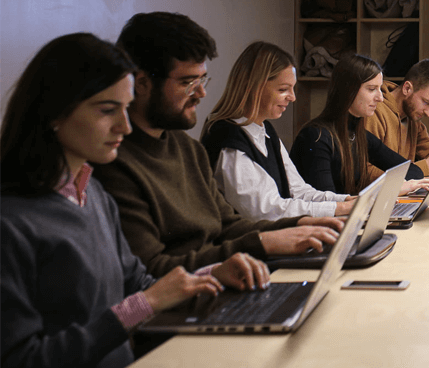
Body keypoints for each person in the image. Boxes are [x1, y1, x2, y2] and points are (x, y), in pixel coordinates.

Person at [1, 33, 268, 368]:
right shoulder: (12, 222)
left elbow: (140, 286)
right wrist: (143, 304)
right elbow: (21, 360)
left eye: (126, 109)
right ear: (54, 112)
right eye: (107, 110)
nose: (125, 127)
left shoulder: (93, 194)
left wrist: (214, 275)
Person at [94, 12, 342, 277]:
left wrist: (304, 224)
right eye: (187, 82)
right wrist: (263, 243)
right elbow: (150, 269)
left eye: (202, 80)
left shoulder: (186, 148)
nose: (201, 93)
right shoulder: (114, 163)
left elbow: (228, 224)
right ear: (142, 83)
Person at [200, 42, 356, 221]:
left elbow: (298, 191)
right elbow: (265, 211)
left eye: (292, 88)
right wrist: (339, 208)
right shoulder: (227, 139)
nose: (293, 97)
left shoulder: (265, 132)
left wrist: (345, 200)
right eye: (283, 89)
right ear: (254, 86)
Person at [290, 53, 429, 196]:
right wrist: (389, 191)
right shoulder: (315, 137)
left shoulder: (357, 135)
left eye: (379, 88)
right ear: (348, 90)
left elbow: (412, 172)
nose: (380, 98)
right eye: (371, 89)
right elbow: (329, 206)